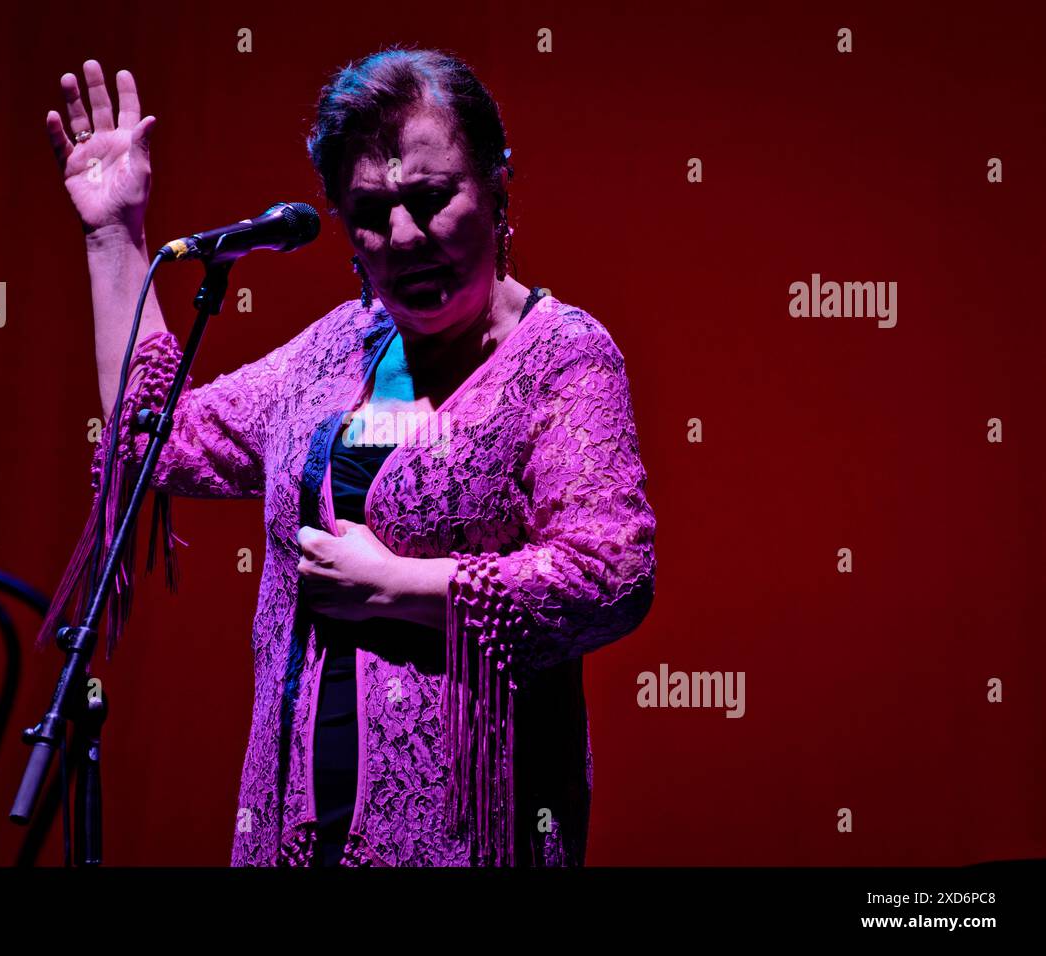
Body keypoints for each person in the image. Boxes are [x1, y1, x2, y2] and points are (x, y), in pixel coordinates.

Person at [40, 46, 657, 867]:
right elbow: (159, 437)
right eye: (370, 210)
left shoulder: (563, 357)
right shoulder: (337, 348)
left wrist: (406, 587)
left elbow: (610, 576)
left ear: (500, 187)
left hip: (469, 839)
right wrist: (114, 239)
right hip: (293, 830)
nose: (403, 236)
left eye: (433, 198)